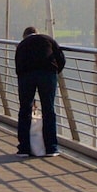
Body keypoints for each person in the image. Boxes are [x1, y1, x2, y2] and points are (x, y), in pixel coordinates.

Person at [14, 26, 66, 157]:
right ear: (37, 33)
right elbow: (61, 58)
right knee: (48, 109)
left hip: (26, 75)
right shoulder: (48, 39)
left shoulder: (22, 45)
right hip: (47, 73)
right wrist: (55, 72)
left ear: (25, 36)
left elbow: (18, 65)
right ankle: (51, 148)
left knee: (25, 110)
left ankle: (24, 149)